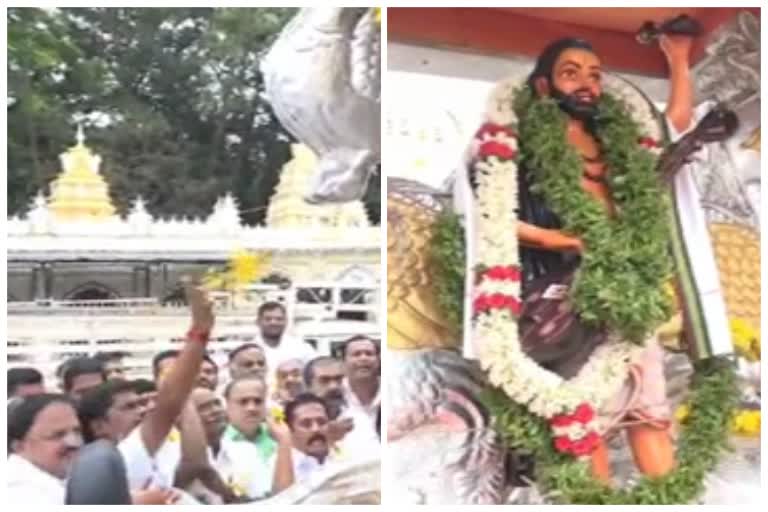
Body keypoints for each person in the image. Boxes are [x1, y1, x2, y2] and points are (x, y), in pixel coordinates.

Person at [471, 33, 698, 480]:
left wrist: (679, 57)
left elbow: (672, 126)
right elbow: (490, 219)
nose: (586, 85)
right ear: (543, 86)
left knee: (649, 410)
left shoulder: (617, 143)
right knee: (585, 419)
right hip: (564, 296)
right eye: (570, 74)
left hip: (627, 287)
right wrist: (562, 241)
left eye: (594, 75)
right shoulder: (518, 143)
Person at [7, 394, 83, 503]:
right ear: (19, 446)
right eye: (58, 435)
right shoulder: (21, 495)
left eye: (77, 431)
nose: (74, 442)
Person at [338, 336, 380, 452]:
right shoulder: (334, 396)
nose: (363, 358)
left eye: (369, 354)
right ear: (343, 362)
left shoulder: (391, 389)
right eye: (356, 354)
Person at [284, 393, 335, 482]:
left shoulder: (347, 457)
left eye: (322, 422)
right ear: (290, 429)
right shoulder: (280, 467)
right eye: (306, 424)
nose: (316, 429)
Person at [254, 302, 316, 375]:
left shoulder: (302, 348)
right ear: (258, 322)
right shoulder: (247, 350)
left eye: (279, 319)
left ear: (286, 322)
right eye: (268, 319)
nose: (273, 322)